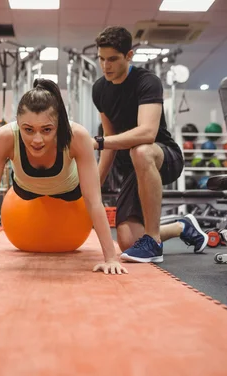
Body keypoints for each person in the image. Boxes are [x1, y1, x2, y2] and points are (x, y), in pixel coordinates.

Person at [0, 79, 126, 275]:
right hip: (24, 191)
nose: (37, 139)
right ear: (17, 123)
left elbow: (94, 201)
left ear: (58, 124)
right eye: (28, 130)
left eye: (46, 130)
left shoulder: (76, 136)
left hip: (71, 193)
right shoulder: (4, 138)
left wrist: (111, 258)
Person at [91, 26, 209, 263]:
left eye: (112, 59)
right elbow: (110, 141)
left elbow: (147, 132)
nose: (106, 66)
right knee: (127, 242)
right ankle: (181, 227)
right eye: (101, 59)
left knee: (141, 149)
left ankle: (153, 240)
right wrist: (94, 187)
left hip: (163, 157)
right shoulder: (100, 89)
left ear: (129, 55)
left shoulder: (147, 82)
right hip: (133, 168)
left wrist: (98, 142)